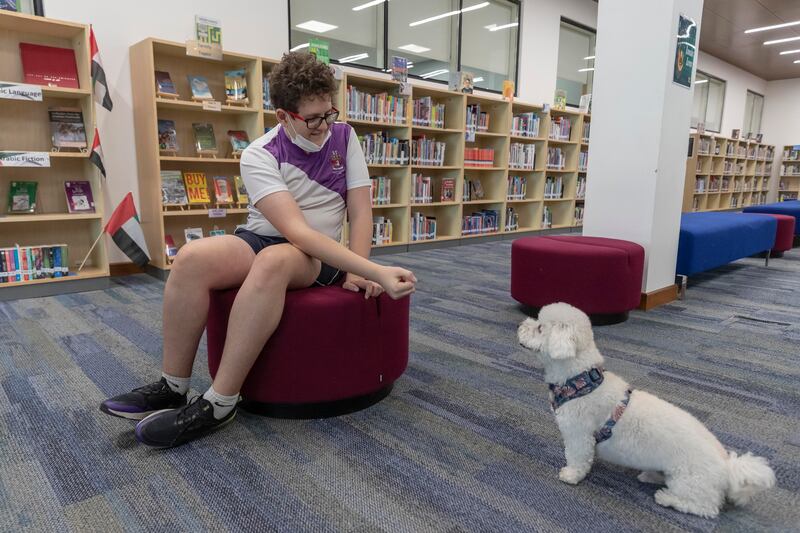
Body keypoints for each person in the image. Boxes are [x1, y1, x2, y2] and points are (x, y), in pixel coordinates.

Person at [100, 52, 417, 447]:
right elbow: (292, 230)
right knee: (191, 258)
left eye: (329, 114)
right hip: (269, 236)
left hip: (318, 254)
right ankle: (172, 385)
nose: (323, 126)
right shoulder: (259, 154)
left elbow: (360, 209)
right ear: (283, 116)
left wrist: (363, 268)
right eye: (312, 119)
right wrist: (376, 273)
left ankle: (220, 401)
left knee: (274, 262)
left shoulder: (345, 136)